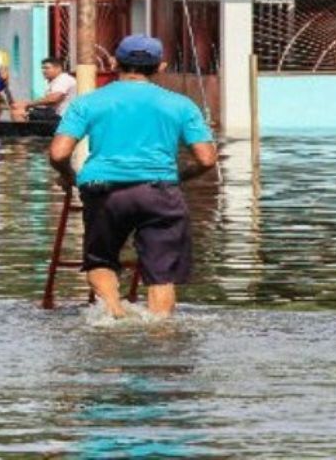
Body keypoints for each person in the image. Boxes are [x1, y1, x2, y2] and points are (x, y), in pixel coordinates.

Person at [49, 35, 217, 320]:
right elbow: (206, 159)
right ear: (160, 67)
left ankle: (114, 314)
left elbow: (58, 153)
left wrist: (70, 176)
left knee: (100, 260)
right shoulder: (181, 105)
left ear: (114, 63)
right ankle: (160, 330)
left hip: (103, 190)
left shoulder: (87, 102)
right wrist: (180, 176)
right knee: (162, 274)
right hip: (160, 190)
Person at [13, 57, 78, 121]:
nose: (43, 71)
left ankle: (22, 131)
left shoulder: (63, 79)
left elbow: (53, 99)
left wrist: (27, 104)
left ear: (58, 68)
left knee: (18, 112)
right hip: (54, 114)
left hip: (62, 117)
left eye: (47, 68)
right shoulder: (55, 81)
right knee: (21, 108)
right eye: (42, 68)